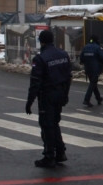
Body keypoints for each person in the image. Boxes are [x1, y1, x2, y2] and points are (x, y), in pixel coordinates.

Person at [26, 29, 73, 168]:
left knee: (47, 125)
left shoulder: (40, 59)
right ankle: (60, 152)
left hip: (47, 96)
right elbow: (68, 77)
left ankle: (49, 155)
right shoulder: (63, 55)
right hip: (60, 94)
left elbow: (35, 83)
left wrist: (29, 102)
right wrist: (65, 95)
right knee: (54, 123)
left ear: (42, 41)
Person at [79, 34, 103, 107]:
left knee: (93, 83)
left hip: (87, 68)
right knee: (92, 83)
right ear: (97, 40)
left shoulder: (85, 47)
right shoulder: (98, 47)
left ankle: (98, 98)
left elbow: (81, 58)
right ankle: (86, 100)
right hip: (95, 69)